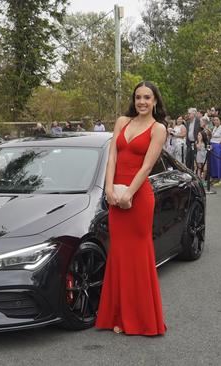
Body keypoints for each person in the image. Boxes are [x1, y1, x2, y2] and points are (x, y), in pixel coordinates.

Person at [97, 80, 167, 336]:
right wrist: (109, 189)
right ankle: (118, 315)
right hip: (116, 195)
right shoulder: (121, 122)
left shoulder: (158, 128)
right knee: (119, 256)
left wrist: (129, 193)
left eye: (147, 97)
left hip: (138, 198)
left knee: (137, 256)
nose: (142, 102)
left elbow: (147, 166)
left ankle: (139, 319)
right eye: (138, 97)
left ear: (155, 101)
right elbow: (112, 156)